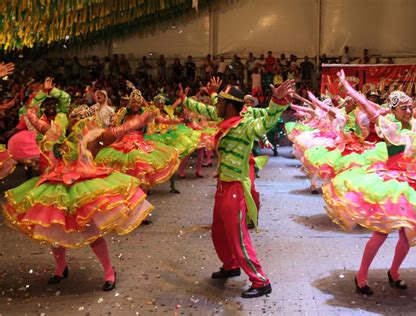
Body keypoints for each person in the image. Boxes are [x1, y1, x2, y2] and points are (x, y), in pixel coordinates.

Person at [325, 70, 416, 296]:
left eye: (410, 107)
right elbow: (365, 104)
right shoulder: (387, 125)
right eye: (404, 108)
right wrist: (346, 85)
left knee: (407, 233)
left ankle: (394, 272)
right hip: (392, 182)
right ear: (393, 110)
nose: (409, 111)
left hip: (415, 180)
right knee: (381, 232)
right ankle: (361, 276)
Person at [3, 79, 156, 291]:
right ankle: (60, 269)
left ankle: (109, 272)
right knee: (54, 232)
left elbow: (119, 130)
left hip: (83, 189)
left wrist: (140, 121)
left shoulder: (93, 139)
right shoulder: (57, 136)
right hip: (56, 188)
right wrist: (43, 94)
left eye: (80, 120)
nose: (76, 123)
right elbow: (30, 114)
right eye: (74, 119)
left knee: (92, 232)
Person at [178, 76, 295, 298]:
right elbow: (207, 108)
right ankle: (231, 265)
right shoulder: (225, 119)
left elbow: (267, 122)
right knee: (219, 231)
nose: (216, 105)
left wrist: (277, 101)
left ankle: (260, 280)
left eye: (220, 101)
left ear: (230, 105)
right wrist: (185, 100)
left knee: (237, 236)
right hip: (223, 185)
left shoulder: (245, 125)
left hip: (235, 189)